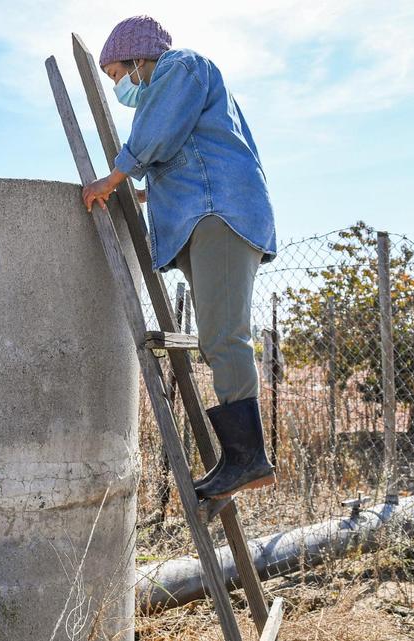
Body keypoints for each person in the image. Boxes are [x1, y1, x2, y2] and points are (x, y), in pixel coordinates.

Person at [81, 15, 277, 500]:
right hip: (205, 214)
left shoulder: (180, 67)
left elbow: (160, 131)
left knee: (224, 335)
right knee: (216, 339)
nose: (121, 89)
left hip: (219, 213)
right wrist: (148, 193)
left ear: (139, 59)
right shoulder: (182, 87)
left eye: (118, 76)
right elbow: (192, 152)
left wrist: (116, 175)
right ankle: (238, 458)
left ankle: (249, 459)